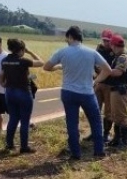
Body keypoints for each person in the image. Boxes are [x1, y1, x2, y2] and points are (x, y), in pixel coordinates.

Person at [43, 25, 112, 160]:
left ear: (70, 37)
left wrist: (58, 67)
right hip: (87, 92)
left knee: (72, 123)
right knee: (96, 121)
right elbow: (108, 70)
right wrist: (95, 81)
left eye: (67, 38)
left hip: (68, 92)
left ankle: (75, 153)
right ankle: (99, 151)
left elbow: (46, 67)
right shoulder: (91, 52)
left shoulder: (63, 52)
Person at [0, 39, 44, 153]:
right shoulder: (23, 61)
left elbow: (0, 76)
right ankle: (24, 147)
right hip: (23, 92)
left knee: (13, 118)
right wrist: (30, 52)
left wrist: (4, 85)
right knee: (25, 121)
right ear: (21, 50)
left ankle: (9, 144)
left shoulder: (4, 60)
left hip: (10, 92)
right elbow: (41, 62)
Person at [84, 28, 116, 142]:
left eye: (108, 41)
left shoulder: (114, 51)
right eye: (104, 40)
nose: (106, 43)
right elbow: (94, 63)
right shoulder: (99, 49)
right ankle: (94, 132)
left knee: (108, 111)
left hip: (109, 84)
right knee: (94, 109)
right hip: (98, 82)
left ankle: (106, 134)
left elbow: (113, 69)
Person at [106, 34, 127, 148]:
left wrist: (106, 70)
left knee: (122, 117)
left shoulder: (123, 57)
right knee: (116, 116)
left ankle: (124, 142)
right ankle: (117, 139)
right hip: (118, 90)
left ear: (113, 45)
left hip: (121, 91)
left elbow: (118, 72)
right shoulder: (121, 56)